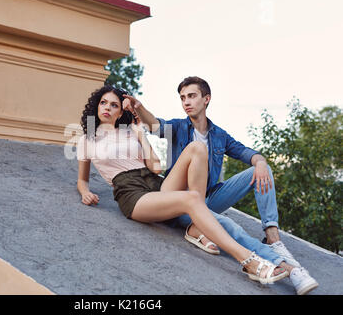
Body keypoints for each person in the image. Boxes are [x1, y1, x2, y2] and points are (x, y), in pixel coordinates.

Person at [122, 76, 319, 295]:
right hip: (180, 201)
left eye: (192, 96)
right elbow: (155, 126)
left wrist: (260, 161)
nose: (186, 102)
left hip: (208, 197)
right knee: (231, 226)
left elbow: (247, 153)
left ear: (206, 99)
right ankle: (289, 268)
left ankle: (273, 238)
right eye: (183, 98)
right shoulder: (178, 127)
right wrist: (140, 108)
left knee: (260, 169)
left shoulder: (219, 135)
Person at [76, 85, 290, 286]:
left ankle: (197, 225)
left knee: (197, 147)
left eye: (114, 105)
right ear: (96, 105)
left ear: (120, 111)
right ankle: (248, 261)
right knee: (192, 199)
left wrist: (142, 137)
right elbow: (82, 179)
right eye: (104, 102)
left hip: (156, 184)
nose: (107, 108)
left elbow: (157, 167)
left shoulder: (131, 132)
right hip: (132, 195)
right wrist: (85, 192)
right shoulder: (87, 139)